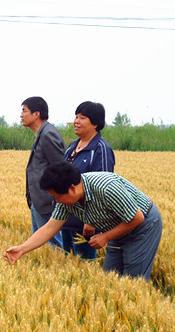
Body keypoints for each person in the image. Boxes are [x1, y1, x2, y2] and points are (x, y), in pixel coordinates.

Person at [4, 162, 162, 281]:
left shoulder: (106, 188)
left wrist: (105, 237)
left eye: (58, 197)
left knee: (133, 279)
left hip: (143, 226)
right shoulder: (68, 202)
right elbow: (49, 228)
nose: (57, 202)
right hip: (117, 229)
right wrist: (22, 250)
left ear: (72, 188)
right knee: (109, 278)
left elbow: (137, 218)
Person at [61, 101, 115, 259]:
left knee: (84, 268)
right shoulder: (72, 147)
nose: (76, 121)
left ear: (96, 123)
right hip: (67, 219)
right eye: (76, 117)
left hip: (85, 224)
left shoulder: (101, 149)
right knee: (69, 264)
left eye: (82, 118)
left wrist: (91, 221)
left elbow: (104, 186)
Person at [21, 96, 66, 248]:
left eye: (24, 111)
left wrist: (56, 198)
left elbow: (60, 169)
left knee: (53, 244)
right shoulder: (42, 133)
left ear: (36, 114)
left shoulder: (48, 134)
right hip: (38, 200)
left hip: (47, 201)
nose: (21, 115)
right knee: (42, 245)